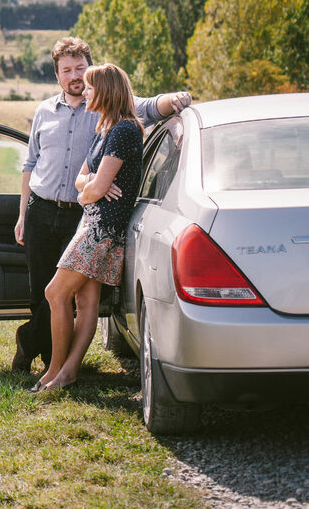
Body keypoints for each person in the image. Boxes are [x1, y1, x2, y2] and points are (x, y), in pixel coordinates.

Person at [11, 38, 189, 374]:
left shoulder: (112, 110)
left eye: (81, 68)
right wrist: (23, 213)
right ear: (57, 75)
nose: (75, 76)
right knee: (41, 292)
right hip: (41, 210)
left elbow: (154, 106)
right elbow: (30, 164)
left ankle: (53, 362)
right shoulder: (45, 112)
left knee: (68, 294)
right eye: (68, 70)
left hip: (83, 218)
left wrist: (180, 101)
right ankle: (50, 357)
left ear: (91, 71)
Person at [34, 63, 145, 391]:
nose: (86, 90)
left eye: (92, 86)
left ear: (107, 91)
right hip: (93, 220)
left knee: (55, 292)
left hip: (103, 229)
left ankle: (56, 371)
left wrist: (92, 188)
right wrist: (91, 187)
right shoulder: (104, 128)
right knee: (84, 303)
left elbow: (93, 190)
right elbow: (83, 181)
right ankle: (66, 373)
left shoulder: (125, 130)